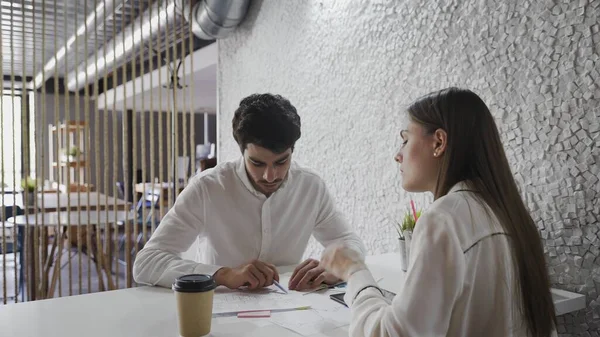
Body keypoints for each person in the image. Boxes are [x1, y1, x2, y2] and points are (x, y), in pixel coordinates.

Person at [320, 88, 557, 337]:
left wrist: (354, 271)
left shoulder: (445, 219)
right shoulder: (510, 215)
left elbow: (393, 334)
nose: (397, 155)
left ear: (439, 142)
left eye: (405, 139)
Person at [133, 93, 365, 291]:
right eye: (257, 163)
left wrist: (335, 267)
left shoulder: (310, 187)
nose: (270, 176)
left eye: (281, 162)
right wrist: (224, 275)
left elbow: (348, 241)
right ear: (242, 151)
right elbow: (146, 263)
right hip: (221, 318)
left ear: (292, 151)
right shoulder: (208, 187)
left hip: (291, 314)